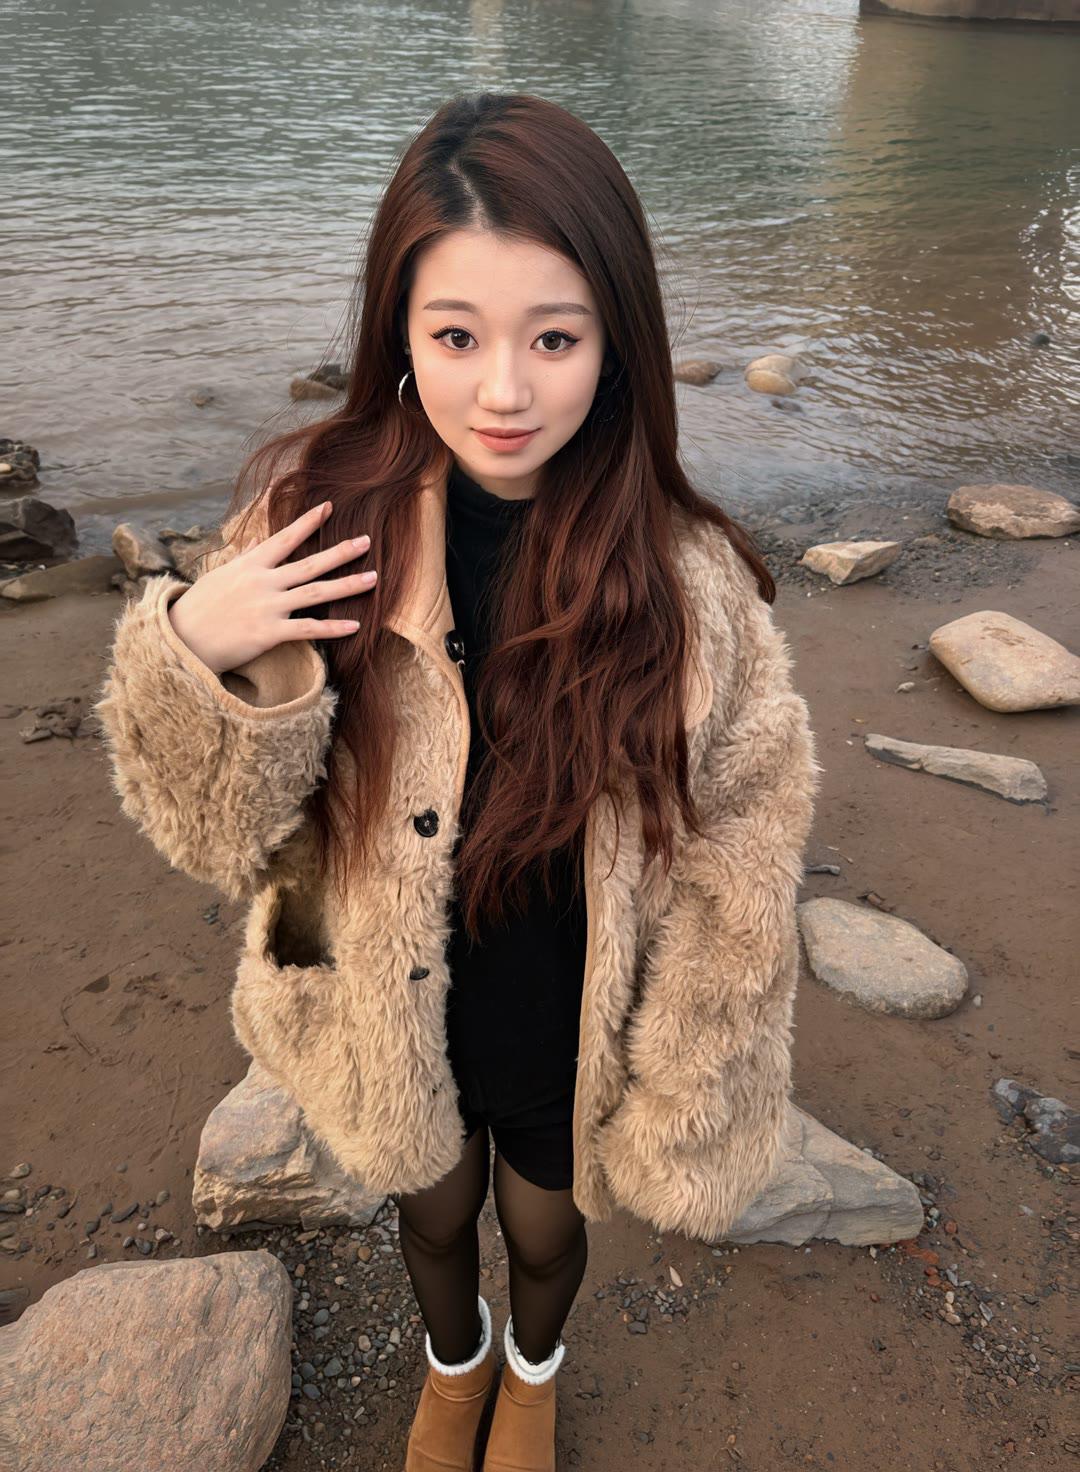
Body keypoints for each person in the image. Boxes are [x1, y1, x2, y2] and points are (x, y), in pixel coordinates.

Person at [94, 92, 822, 1472]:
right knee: (430, 1215)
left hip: (572, 998)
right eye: (455, 336)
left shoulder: (686, 578)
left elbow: (749, 820)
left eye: (554, 337)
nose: (503, 392)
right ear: (398, 332)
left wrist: (691, 1057)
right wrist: (196, 652)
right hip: (384, 994)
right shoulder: (312, 528)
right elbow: (221, 839)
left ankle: (532, 1373)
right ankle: (455, 1362)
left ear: (616, 342)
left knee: (546, 1228)